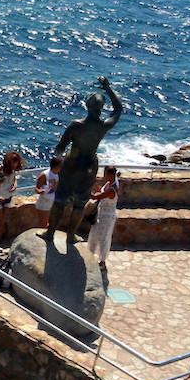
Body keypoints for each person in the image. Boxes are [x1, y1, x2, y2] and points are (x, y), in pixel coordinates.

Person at [41, 76, 122, 245]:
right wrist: (108, 88)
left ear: (87, 106)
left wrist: (60, 154)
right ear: (101, 108)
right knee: (80, 204)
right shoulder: (103, 126)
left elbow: (60, 147)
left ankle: (50, 234)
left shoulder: (76, 125)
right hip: (89, 167)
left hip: (72, 165)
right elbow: (118, 109)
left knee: (60, 200)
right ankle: (71, 236)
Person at [87, 166, 120, 270]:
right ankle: (91, 255)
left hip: (107, 217)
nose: (103, 176)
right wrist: (95, 184)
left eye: (105, 174)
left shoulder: (112, 189)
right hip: (101, 214)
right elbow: (101, 192)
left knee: (104, 239)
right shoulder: (110, 183)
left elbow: (96, 197)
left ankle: (103, 262)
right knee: (94, 234)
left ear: (110, 175)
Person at [0, 151, 24, 245]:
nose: (14, 166)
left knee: (2, 222)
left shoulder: (12, 170)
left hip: (8, 198)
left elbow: (14, 179)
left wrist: (15, 185)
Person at [34, 156, 62, 229]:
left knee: (52, 222)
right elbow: (36, 188)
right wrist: (40, 191)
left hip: (54, 202)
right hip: (44, 202)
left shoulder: (59, 174)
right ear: (55, 166)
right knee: (44, 224)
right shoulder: (45, 175)